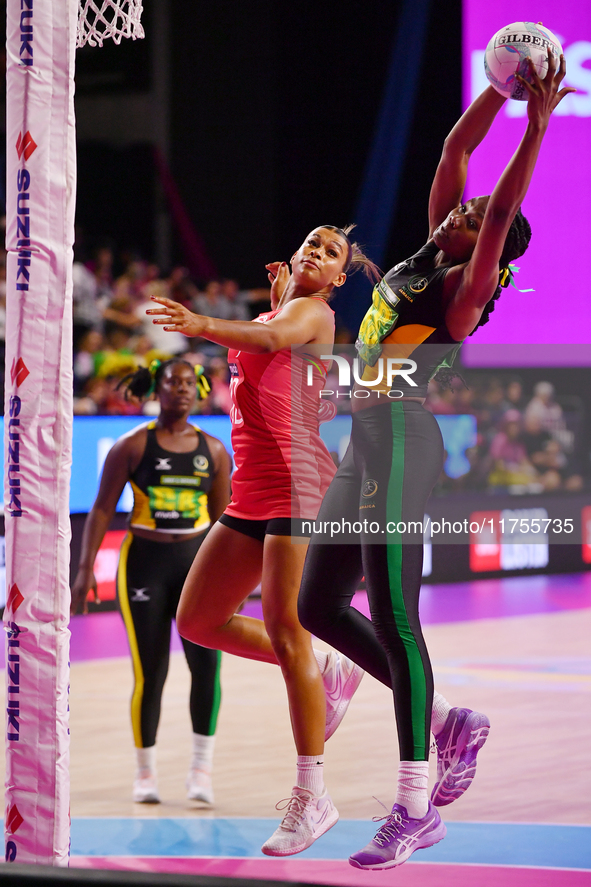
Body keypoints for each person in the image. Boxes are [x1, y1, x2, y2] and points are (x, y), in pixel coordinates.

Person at [298, 51, 574, 870]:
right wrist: (496, 86)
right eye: (468, 209)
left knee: (394, 618)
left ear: (486, 248)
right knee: (318, 603)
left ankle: (414, 804)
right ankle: (453, 716)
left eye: (479, 214)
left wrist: (536, 126)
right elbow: (454, 153)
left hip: (404, 439)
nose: (466, 208)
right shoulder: (427, 248)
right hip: (364, 438)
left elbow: (499, 214)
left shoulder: (462, 288)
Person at [147, 227, 378, 855]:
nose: (316, 251)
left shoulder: (313, 312)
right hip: (254, 494)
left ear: (336, 282)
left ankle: (314, 796)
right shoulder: (285, 307)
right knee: (198, 620)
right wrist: (276, 296)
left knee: (286, 629)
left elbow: (275, 338)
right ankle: (326, 671)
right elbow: (273, 346)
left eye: (330, 252)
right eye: (312, 242)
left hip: (300, 489)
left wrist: (200, 321)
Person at [71, 358, 231, 805]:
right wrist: (84, 569)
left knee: (206, 668)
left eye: (187, 384)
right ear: (156, 390)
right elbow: (102, 508)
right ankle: (146, 773)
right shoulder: (131, 446)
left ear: (198, 391)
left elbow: (225, 522)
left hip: (198, 565)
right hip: (144, 564)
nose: (179, 389)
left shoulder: (214, 451)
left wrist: (236, 580)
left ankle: (201, 770)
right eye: (170, 383)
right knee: (151, 671)